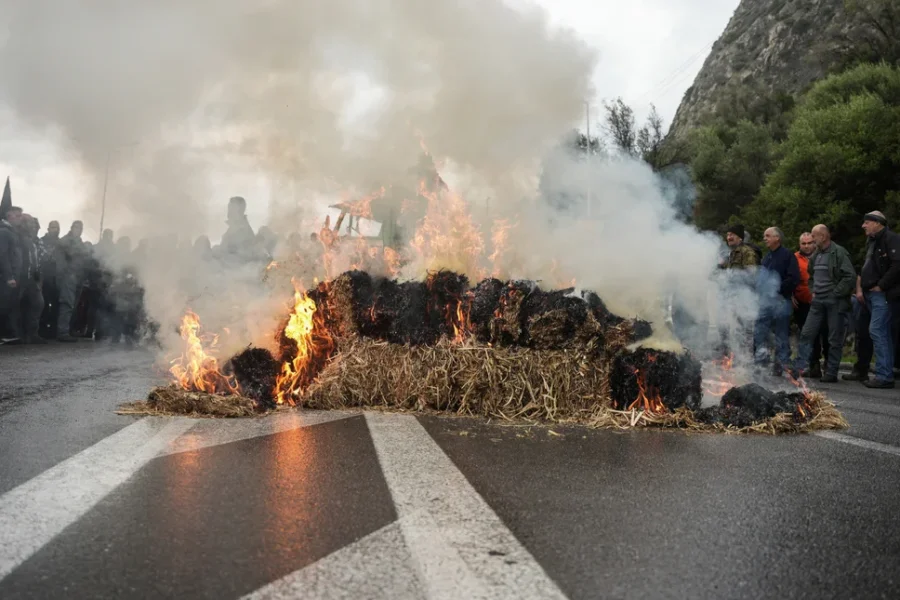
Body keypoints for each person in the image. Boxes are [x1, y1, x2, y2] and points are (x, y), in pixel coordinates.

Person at [795, 224, 856, 382]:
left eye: (814, 236)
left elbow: (850, 276)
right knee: (806, 333)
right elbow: (811, 275)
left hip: (835, 301)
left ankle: (831, 372)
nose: (812, 239)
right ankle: (800, 368)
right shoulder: (816, 254)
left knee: (834, 338)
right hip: (818, 301)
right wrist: (813, 290)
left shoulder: (839, 252)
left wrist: (835, 293)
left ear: (822, 236)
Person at [850, 211, 900, 388]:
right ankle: (872, 370)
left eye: (867, 222)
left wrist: (881, 285)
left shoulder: (891, 238)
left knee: (879, 330)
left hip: (881, 294)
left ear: (878, 223)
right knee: (868, 331)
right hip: (867, 294)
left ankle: (884, 376)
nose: (863, 225)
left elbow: (897, 265)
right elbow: (864, 268)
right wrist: (859, 289)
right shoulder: (871, 241)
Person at [753, 227, 800, 376]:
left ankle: (782, 365)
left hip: (781, 301)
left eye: (768, 236)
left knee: (781, 333)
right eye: (764, 236)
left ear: (777, 238)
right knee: (760, 331)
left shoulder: (787, 256)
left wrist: (776, 289)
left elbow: (794, 278)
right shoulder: (767, 257)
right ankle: (761, 363)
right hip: (765, 302)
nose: (764, 239)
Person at [793, 232, 829, 378]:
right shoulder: (794, 258)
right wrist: (790, 295)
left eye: (809, 243)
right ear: (799, 244)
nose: (807, 246)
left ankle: (829, 364)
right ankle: (813, 364)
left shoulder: (823, 255)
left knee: (826, 333)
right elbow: (789, 277)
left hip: (823, 301)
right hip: (803, 302)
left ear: (814, 243)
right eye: (804, 243)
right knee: (808, 334)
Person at [55, 220, 85, 342]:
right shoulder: (65, 241)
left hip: (78, 276)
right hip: (68, 276)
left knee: (74, 305)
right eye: (76, 227)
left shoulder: (80, 242)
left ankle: (68, 329)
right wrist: (63, 276)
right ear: (72, 228)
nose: (78, 230)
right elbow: (61, 261)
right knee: (67, 304)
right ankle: (62, 332)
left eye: (80, 228)